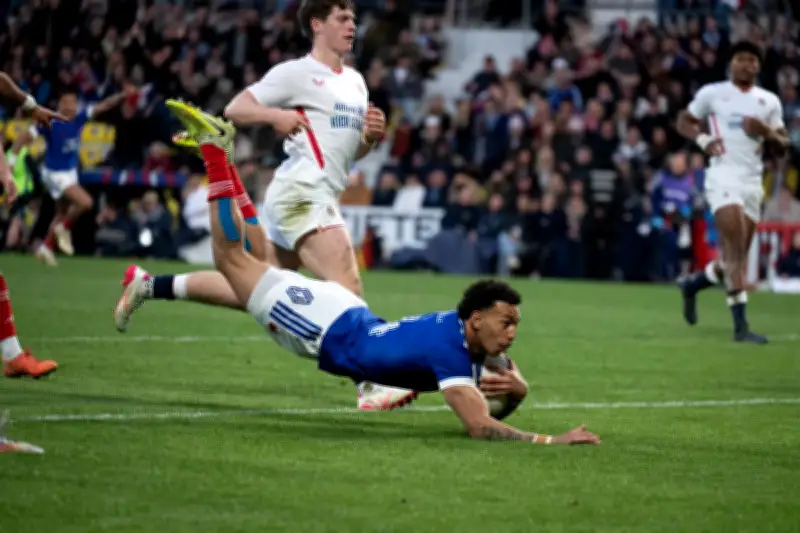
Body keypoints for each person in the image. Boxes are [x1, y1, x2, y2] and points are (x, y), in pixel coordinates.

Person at [160, 101, 600, 444]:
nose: (511, 334)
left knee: (256, 261)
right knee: (232, 260)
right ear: (478, 318)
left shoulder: (467, 337)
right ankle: (217, 154)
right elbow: (480, 426)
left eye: (515, 325)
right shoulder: (451, 353)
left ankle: (224, 157)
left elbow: (493, 402)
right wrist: (551, 439)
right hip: (325, 328)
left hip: (346, 313)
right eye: (506, 322)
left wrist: (516, 393)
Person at [114, 0, 418, 411]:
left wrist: (368, 139)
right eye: (342, 18)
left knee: (255, 286)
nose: (352, 25)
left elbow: (346, 157)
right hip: (301, 194)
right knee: (347, 288)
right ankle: (368, 382)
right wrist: (275, 117)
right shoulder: (297, 72)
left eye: (353, 18)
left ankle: (149, 285)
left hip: (314, 193)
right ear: (317, 25)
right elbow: (236, 107)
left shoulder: (357, 83)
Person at [676, 41, 789, 344]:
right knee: (736, 245)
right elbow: (683, 121)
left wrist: (765, 132)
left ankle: (694, 284)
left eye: (752, 60)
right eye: (741, 59)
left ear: (758, 66)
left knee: (733, 259)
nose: (746, 64)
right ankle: (741, 327)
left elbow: (783, 145)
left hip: (753, 182)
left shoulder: (769, 101)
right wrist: (702, 139)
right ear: (731, 63)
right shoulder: (713, 93)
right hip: (722, 175)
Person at [13, 87, 135, 266]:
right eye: (67, 102)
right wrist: (11, 158)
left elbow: (104, 105)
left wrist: (122, 95)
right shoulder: (51, 121)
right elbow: (26, 136)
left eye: (73, 102)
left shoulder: (80, 119)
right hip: (55, 173)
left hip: (69, 173)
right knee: (86, 202)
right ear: (60, 104)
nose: (70, 106)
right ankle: (63, 229)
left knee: (61, 213)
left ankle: (46, 248)